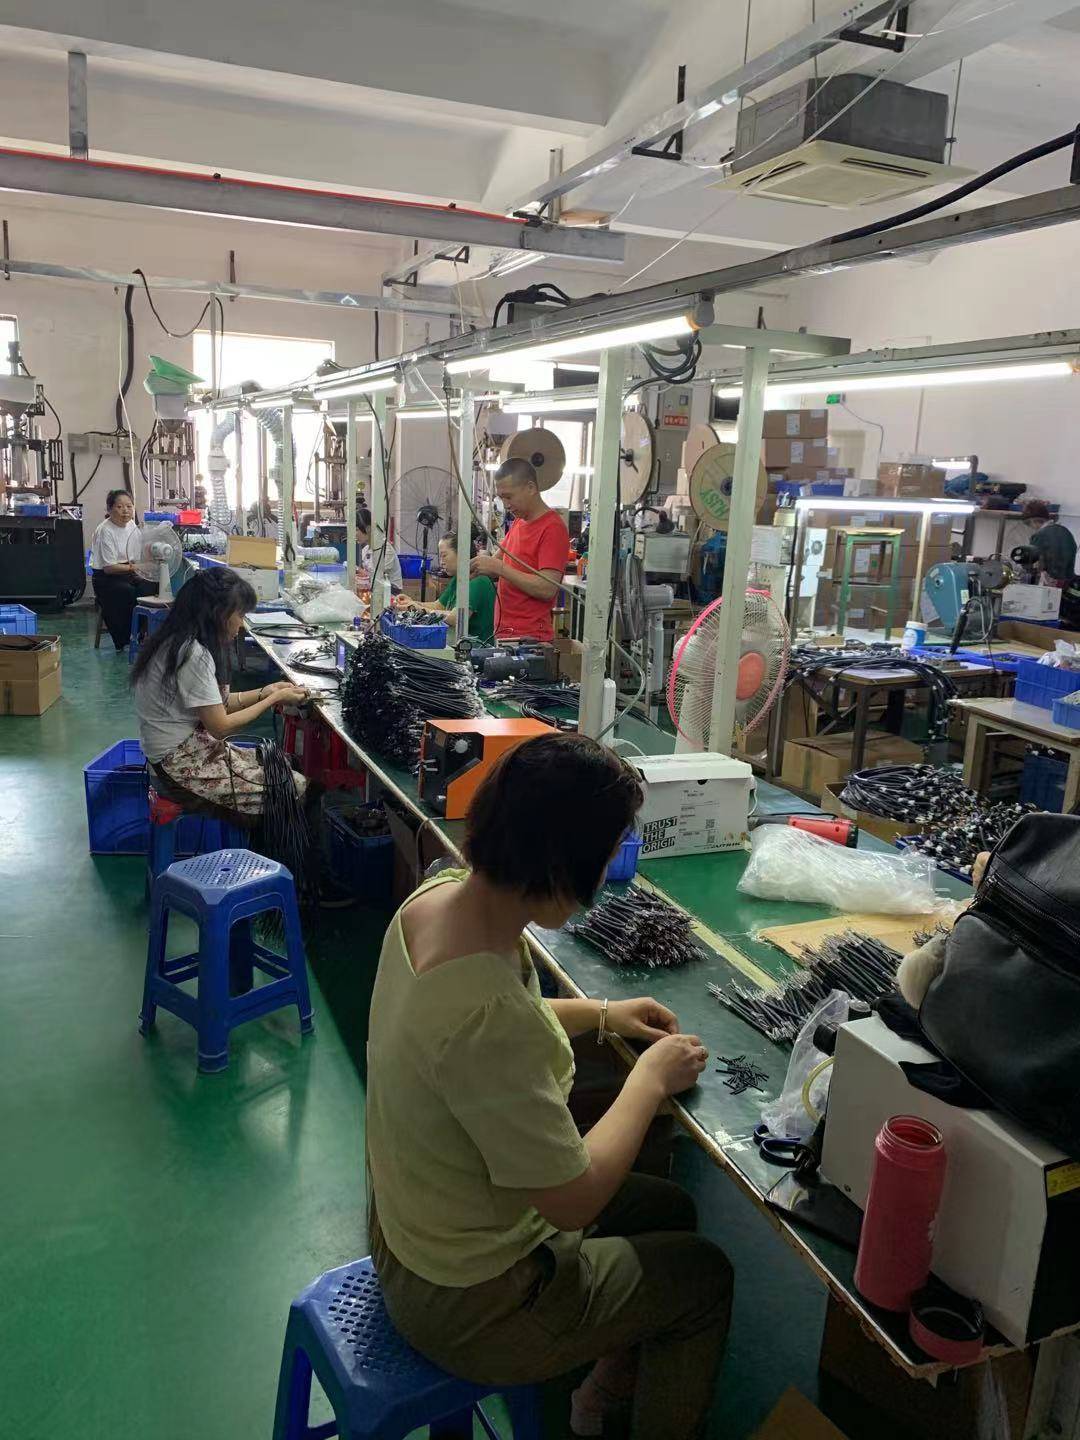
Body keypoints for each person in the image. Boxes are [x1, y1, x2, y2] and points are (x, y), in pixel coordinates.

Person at [366, 733, 732, 1440]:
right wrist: (648, 1079)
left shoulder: (437, 900)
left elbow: (486, 1028)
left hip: (414, 1228)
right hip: (470, 1305)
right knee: (705, 1279)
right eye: (608, 853)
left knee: (670, 1208)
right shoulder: (488, 1020)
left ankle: (601, 1390)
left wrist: (601, 1013)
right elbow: (573, 1200)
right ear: (566, 869)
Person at [131, 567, 308, 820]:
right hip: (178, 767)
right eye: (240, 615)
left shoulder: (178, 640)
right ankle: (271, 844)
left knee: (283, 762)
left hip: (186, 752)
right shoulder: (193, 654)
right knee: (293, 787)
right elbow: (220, 726)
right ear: (218, 614)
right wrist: (274, 699)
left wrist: (265, 691)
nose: (242, 624)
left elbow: (216, 704)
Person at [471, 458, 570, 642]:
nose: (506, 504)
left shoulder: (552, 528)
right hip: (505, 634)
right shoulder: (519, 521)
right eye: (501, 498)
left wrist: (497, 568)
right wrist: (474, 566)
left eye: (509, 496)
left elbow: (547, 588)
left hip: (530, 640)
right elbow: (497, 561)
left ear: (530, 488)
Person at [90, 489, 157, 651]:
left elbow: (137, 553)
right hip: (106, 577)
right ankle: (125, 639)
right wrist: (137, 567)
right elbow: (109, 568)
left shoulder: (132, 525)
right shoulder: (105, 530)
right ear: (109, 509)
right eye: (119, 507)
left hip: (128, 571)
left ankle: (142, 633)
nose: (125, 511)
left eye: (129, 506)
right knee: (125, 592)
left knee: (151, 586)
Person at [416, 529, 496, 643]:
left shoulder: (477, 580)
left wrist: (419, 609)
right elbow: (438, 605)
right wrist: (410, 604)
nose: (441, 562)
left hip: (476, 648)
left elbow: (456, 618)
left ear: (462, 553)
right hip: (459, 642)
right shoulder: (458, 578)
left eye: (444, 556)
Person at [1022, 499, 1077, 585]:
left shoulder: (1039, 536)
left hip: (1048, 584)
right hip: (1068, 583)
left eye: (1029, 524)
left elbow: (1031, 562)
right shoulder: (1066, 532)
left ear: (1033, 521)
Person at [357, 505, 403, 590]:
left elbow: (377, 578)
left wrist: (357, 569)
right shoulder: (365, 550)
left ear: (368, 528)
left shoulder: (386, 550)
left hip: (391, 590)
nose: (354, 534)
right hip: (374, 588)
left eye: (357, 530)